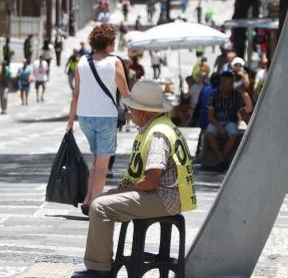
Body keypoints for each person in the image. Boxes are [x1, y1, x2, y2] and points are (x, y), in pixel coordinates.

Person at [70, 80, 196, 278]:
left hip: (164, 197)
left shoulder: (157, 135)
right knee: (104, 201)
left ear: (143, 112)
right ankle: (100, 264)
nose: (129, 114)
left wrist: (119, 192)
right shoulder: (163, 126)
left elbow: (151, 181)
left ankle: (99, 270)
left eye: (131, 109)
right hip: (170, 195)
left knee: (100, 206)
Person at [66, 23, 131, 216]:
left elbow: (75, 94)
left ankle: (88, 199)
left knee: (96, 159)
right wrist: (136, 112)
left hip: (85, 117)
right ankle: (95, 204)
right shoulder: (115, 62)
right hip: (105, 117)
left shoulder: (82, 62)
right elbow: (125, 93)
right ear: (109, 42)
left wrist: (70, 121)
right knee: (103, 164)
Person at [205, 70, 246, 170]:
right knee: (209, 133)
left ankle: (221, 159)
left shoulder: (236, 95)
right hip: (216, 121)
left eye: (232, 83)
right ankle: (222, 160)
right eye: (230, 83)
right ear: (223, 83)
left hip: (230, 122)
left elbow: (242, 113)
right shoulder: (214, 95)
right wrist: (219, 128)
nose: (232, 85)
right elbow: (210, 116)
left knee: (233, 135)